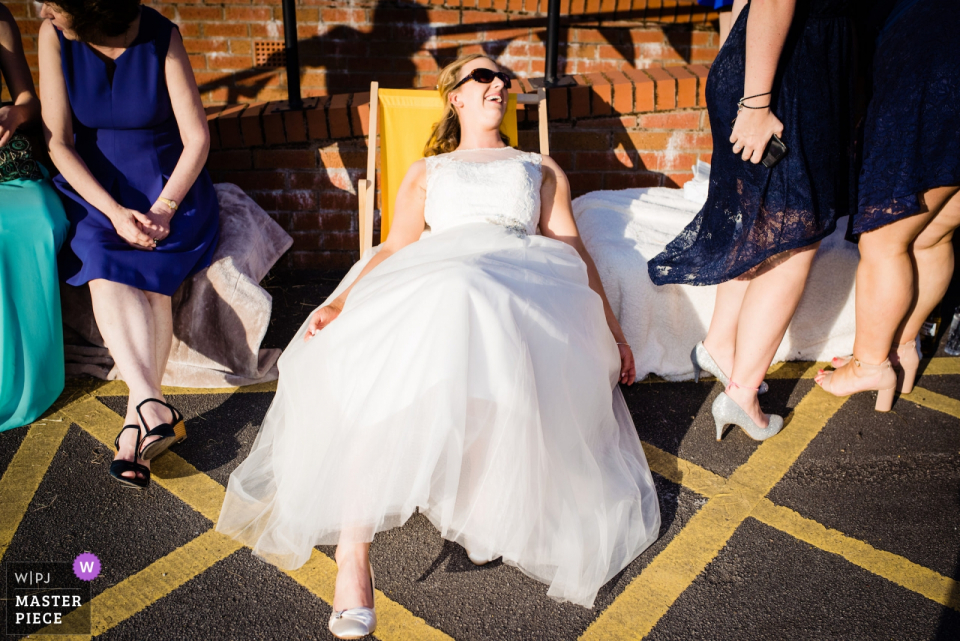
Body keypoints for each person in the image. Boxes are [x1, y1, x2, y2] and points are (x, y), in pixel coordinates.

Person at [216, 54, 661, 636]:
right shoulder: (428, 169)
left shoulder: (539, 166)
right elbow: (397, 245)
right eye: (483, 75)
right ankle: (354, 557)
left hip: (519, 279)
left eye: (503, 76)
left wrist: (613, 325)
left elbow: (574, 249)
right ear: (455, 96)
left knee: (468, 294)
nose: (499, 82)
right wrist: (342, 301)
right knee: (386, 354)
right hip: (438, 273)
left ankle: (478, 501)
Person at [647, 0, 855, 440]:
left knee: (760, 224)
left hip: (772, 70)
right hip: (784, 82)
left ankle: (720, 346)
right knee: (794, 238)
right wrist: (757, 104)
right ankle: (741, 396)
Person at [38, 1, 219, 487]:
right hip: (96, 187)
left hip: (167, 184)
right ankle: (148, 402)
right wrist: (114, 213)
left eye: (57, 5)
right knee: (100, 258)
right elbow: (58, 143)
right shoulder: (52, 35)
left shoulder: (161, 33)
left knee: (152, 273)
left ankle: (135, 425)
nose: (47, 11)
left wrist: (163, 207)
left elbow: (197, 137)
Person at [815, 0, 960, 408]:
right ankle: (901, 346)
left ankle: (870, 366)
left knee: (882, 243)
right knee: (932, 234)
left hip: (928, 60)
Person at [0, 3, 70, 432]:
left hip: (10, 168)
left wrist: (13, 113)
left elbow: (28, 99)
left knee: (38, 224)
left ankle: (27, 382)